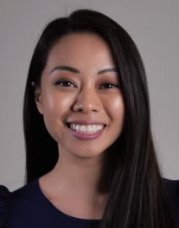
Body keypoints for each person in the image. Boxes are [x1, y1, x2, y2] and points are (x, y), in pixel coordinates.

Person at [0, 9, 178, 228]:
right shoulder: (7, 215)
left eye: (108, 85)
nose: (87, 104)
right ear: (39, 98)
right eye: (66, 83)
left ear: (132, 97)